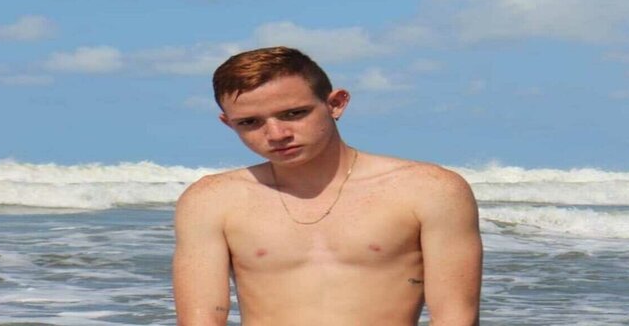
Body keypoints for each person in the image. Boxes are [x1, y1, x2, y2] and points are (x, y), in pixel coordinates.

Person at [173, 46, 482, 325]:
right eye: (250, 122)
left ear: (336, 103)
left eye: (294, 113)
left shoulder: (429, 189)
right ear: (228, 123)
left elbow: (456, 317)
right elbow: (201, 320)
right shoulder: (212, 200)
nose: (277, 134)